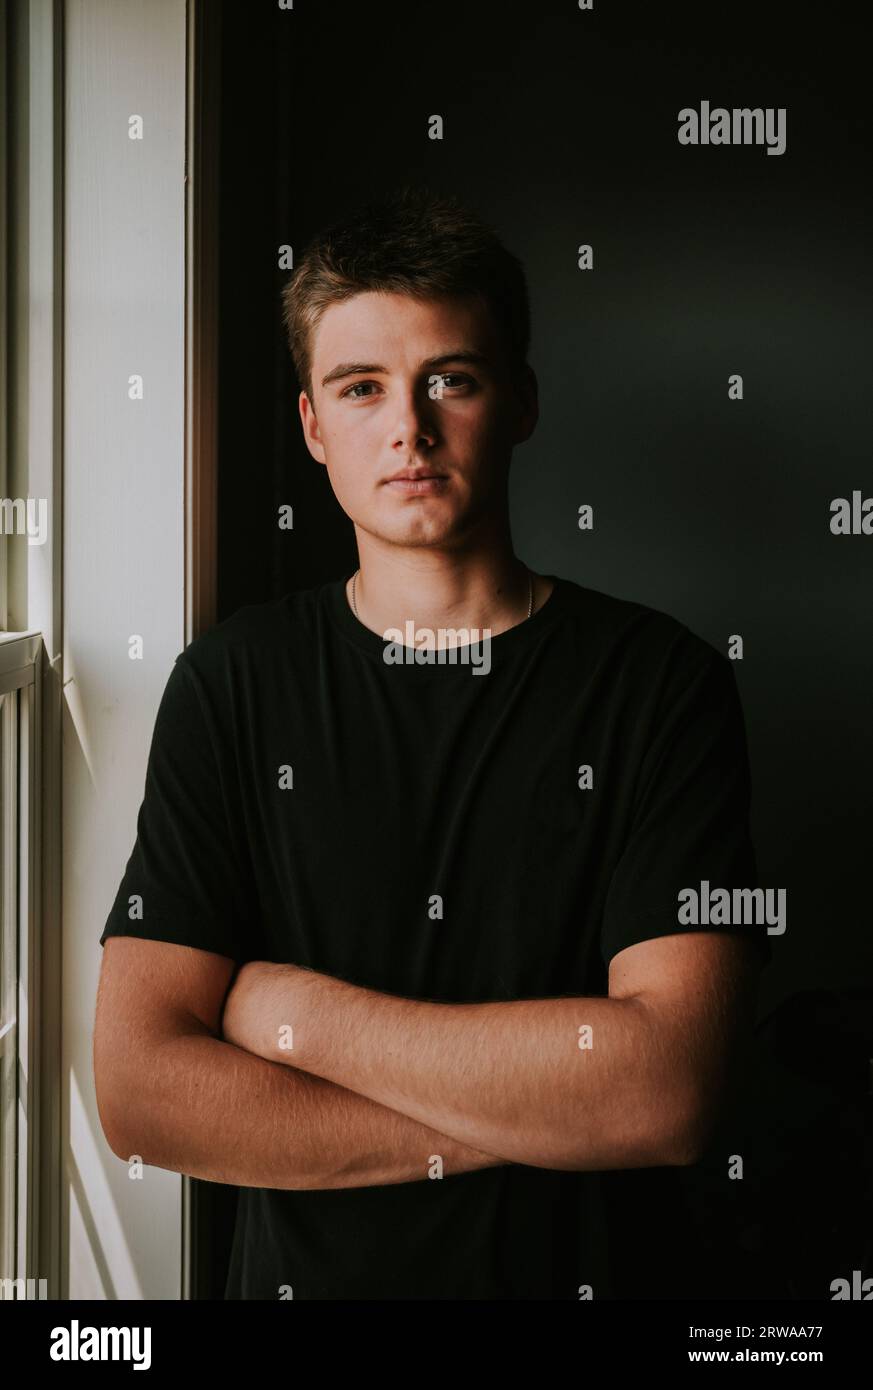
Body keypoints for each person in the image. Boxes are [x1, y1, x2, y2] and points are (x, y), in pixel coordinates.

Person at [94, 184, 771, 1300]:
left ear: (518, 401)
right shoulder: (233, 682)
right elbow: (141, 1092)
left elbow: (665, 1093)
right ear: (314, 425)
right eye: (361, 388)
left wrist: (294, 1015)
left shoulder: (661, 686)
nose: (407, 427)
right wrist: (542, 1109)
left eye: (448, 378)